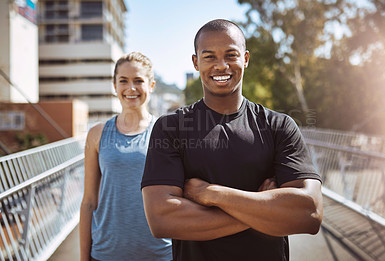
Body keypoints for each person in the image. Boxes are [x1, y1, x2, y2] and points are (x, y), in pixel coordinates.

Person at [141, 19, 323, 261]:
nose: (221, 65)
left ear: (245, 59)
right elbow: (162, 219)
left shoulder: (279, 126)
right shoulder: (171, 128)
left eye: (231, 54)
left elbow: (309, 213)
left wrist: (212, 194)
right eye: (209, 57)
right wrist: (264, 209)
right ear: (196, 62)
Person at [79, 52, 172, 261]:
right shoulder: (97, 134)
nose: (131, 88)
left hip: (158, 254)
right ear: (114, 86)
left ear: (152, 85)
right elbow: (88, 202)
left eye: (138, 80)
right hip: (105, 253)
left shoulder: (166, 132)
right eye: (123, 81)